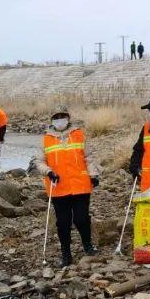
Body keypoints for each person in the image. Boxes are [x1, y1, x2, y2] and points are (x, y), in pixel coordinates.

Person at [33, 106, 100, 268]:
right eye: (56, 117)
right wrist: (48, 171)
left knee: (81, 218)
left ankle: (87, 244)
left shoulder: (79, 134)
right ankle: (66, 253)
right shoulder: (45, 139)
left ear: (68, 118)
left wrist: (93, 174)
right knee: (62, 222)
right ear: (52, 120)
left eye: (62, 116)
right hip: (58, 187)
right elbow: (38, 161)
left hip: (80, 185)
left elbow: (88, 157)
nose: (60, 119)